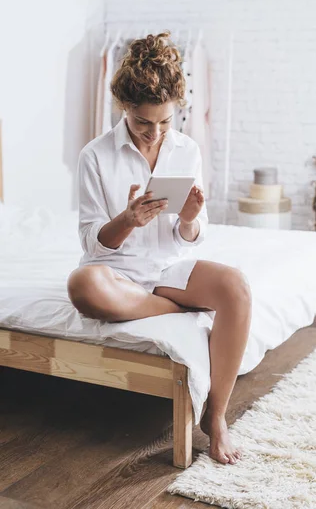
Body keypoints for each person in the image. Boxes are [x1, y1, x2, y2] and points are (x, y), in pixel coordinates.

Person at [67, 31, 252, 465]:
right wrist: (128, 219)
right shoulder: (95, 156)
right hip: (116, 272)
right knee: (82, 286)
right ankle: (181, 309)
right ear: (124, 109)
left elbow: (193, 234)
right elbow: (94, 242)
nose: (155, 133)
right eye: (143, 123)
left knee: (237, 288)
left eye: (165, 122)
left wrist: (189, 218)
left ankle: (216, 417)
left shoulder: (187, 150)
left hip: (169, 271)